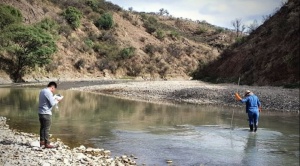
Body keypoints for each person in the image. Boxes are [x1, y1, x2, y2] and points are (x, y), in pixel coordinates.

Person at [38, 82, 62, 148]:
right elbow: (52, 103)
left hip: (40, 113)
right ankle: (47, 144)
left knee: (42, 128)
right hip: (46, 113)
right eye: (54, 89)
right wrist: (58, 100)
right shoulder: (49, 92)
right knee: (47, 129)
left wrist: (54, 98)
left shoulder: (42, 91)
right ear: (52, 87)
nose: (54, 91)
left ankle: (42, 143)